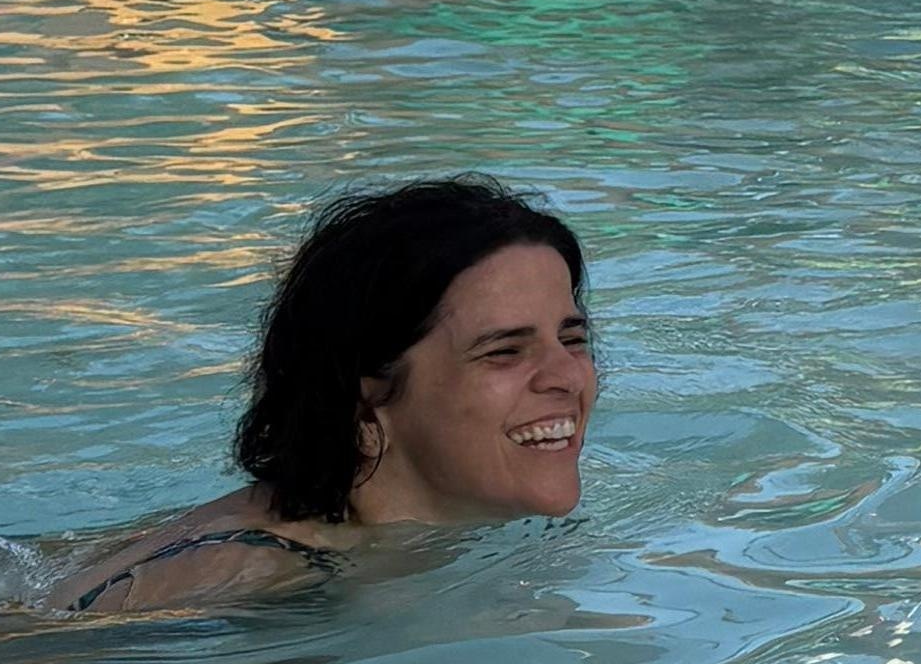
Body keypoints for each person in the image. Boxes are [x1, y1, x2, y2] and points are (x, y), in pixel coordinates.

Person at [43, 182, 602, 619]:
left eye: (572, 339)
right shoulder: (253, 575)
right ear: (366, 392)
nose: (567, 376)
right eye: (504, 351)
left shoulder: (474, 532)